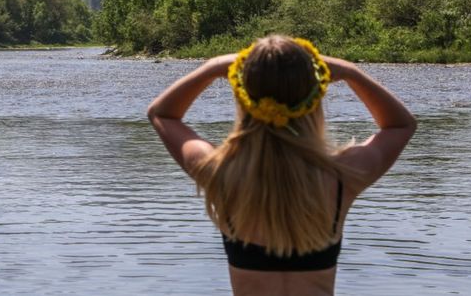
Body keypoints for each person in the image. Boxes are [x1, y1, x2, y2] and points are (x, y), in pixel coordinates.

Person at [147, 35, 416, 296]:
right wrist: (350, 71)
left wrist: (214, 67)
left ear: (243, 95)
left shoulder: (220, 173)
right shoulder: (340, 177)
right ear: (314, 97)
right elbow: (400, 125)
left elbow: (162, 114)